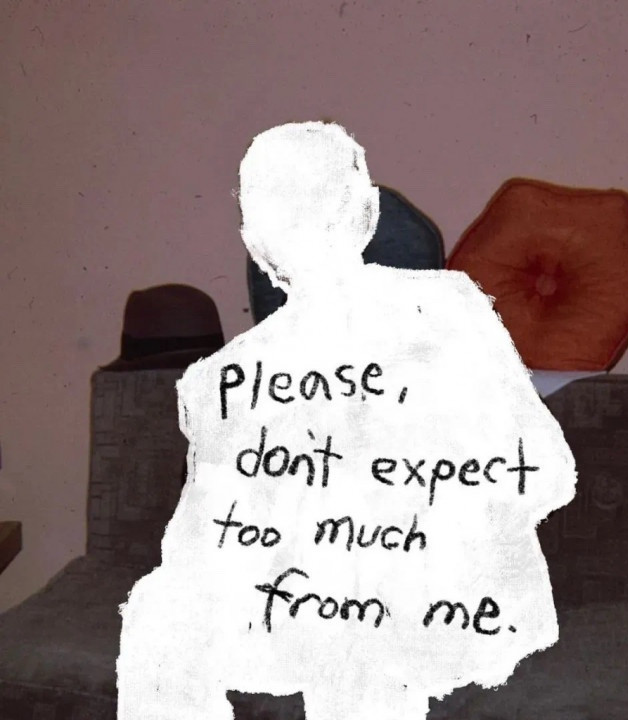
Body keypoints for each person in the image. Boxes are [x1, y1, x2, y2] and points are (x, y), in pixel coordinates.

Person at [117, 121, 577, 720]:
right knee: (173, 612)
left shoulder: (226, 379)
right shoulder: (454, 312)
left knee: (180, 618)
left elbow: (541, 474)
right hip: (338, 605)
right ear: (364, 214)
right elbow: (545, 474)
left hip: (406, 608)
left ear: (255, 241)